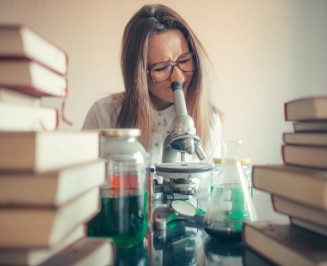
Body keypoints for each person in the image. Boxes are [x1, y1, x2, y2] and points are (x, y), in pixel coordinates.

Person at [82, 4, 222, 199]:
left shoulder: (210, 121)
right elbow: (82, 191)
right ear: (139, 74)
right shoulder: (104, 115)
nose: (178, 78)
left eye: (184, 60)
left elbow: (207, 199)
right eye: (162, 67)